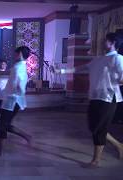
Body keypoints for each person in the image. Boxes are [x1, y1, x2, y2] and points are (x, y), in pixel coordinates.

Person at [52, 32, 123, 168]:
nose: (103, 42)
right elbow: (78, 69)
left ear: (113, 42)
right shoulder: (98, 59)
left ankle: (96, 160)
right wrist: (59, 71)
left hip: (108, 98)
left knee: (98, 129)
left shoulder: (118, 58)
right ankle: (119, 145)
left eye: (106, 40)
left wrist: (113, 82)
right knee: (93, 127)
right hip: (95, 97)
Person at [0, 46, 32, 156]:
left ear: (20, 54)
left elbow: (21, 86)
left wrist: (18, 92)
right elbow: (6, 73)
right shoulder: (18, 66)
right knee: (4, 125)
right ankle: (26, 136)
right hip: (11, 99)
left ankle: (0, 152)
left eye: (16, 54)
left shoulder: (19, 68)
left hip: (12, 100)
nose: (14, 56)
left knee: (2, 125)